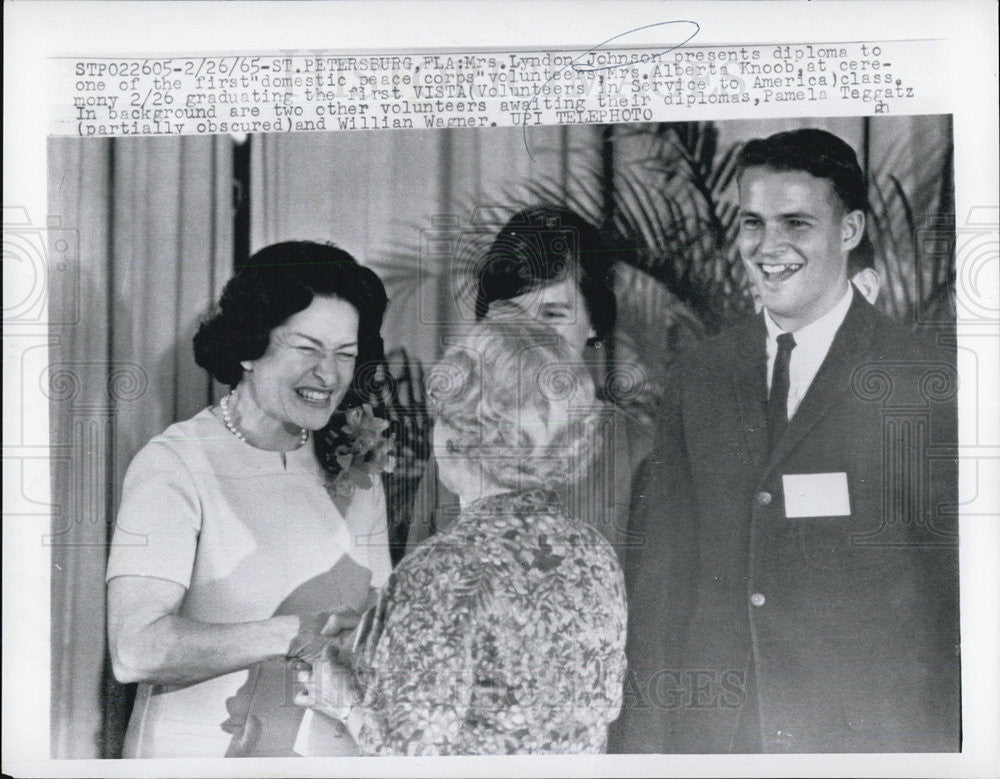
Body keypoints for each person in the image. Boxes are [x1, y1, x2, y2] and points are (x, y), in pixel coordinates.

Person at [614, 128, 959, 753]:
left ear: (849, 230)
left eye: (796, 223)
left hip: (867, 745)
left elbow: (954, 600)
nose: (768, 248)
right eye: (753, 223)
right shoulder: (700, 375)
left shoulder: (923, 381)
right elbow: (663, 586)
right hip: (719, 743)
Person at [106, 241, 392, 757]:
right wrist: (298, 632)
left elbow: (378, 619)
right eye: (306, 348)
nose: (328, 375)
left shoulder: (356, 460)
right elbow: (135, 649)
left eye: (344, 355)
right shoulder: (174, 463)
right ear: (247, 346)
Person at [295, 322, 629, 754]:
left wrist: (343, 701)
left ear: (456, 436)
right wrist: (387, 632)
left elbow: (409, 754)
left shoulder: (440, 570)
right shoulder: (595, 554)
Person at [405, 205, 650, 558]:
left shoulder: (638, 454)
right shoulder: (456, 442)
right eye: (511, 315)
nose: (528, 337)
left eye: (552, 314)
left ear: (594, 322)